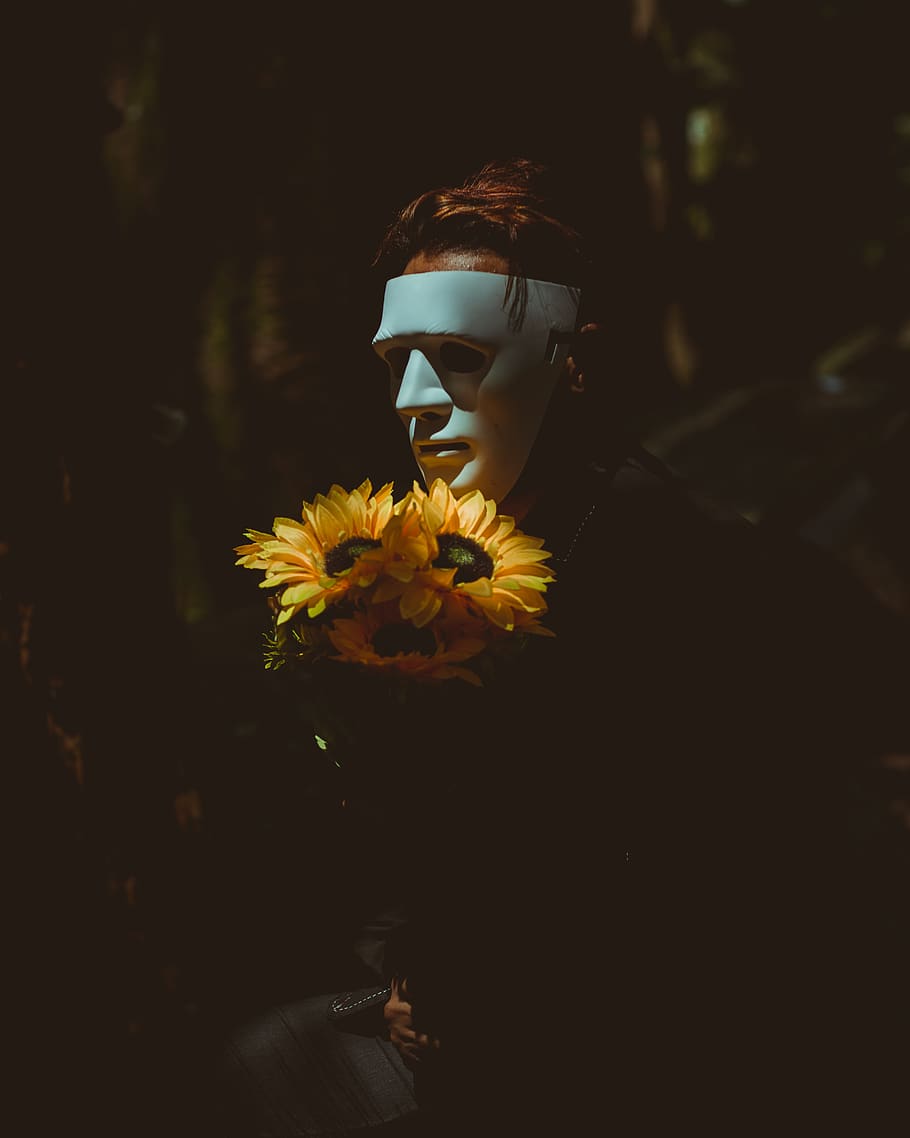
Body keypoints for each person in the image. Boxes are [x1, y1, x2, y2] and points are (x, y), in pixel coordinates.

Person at [213, 158, 909, 1135]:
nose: (415, 397)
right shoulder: (418, 555)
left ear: (570, 358)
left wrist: (481, 988)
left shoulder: (680, 564)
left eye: (458, 354)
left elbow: (732, 887)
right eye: (392, 361)